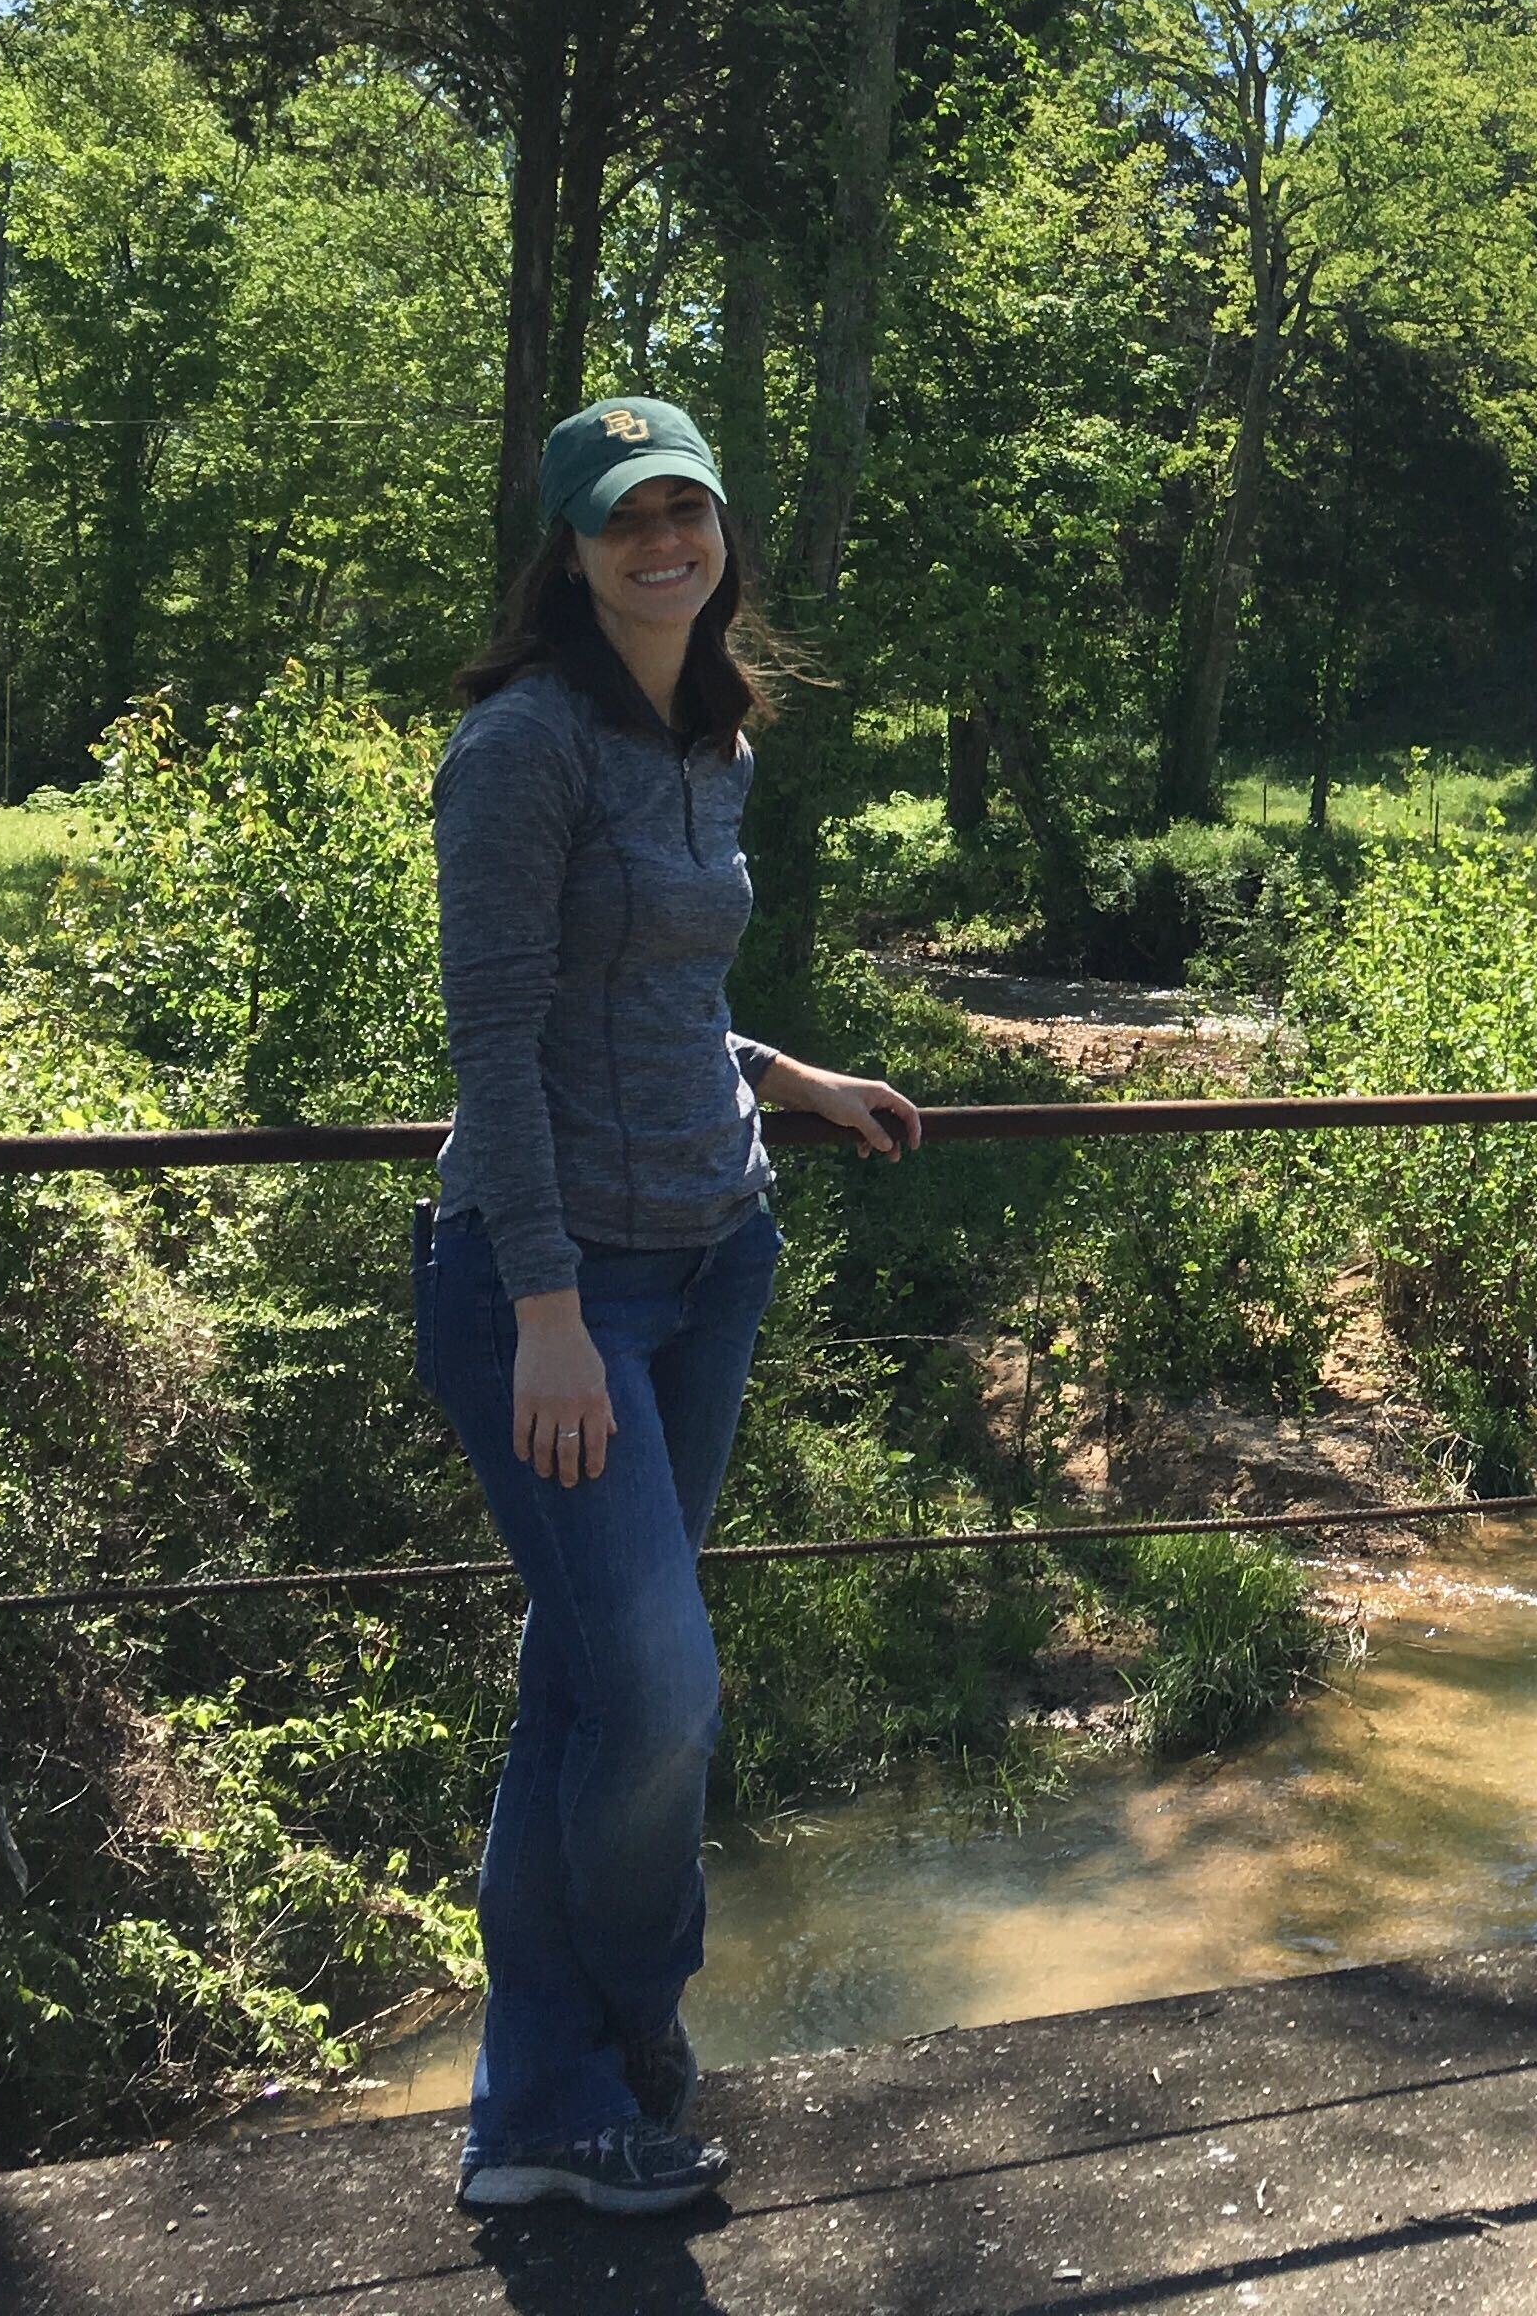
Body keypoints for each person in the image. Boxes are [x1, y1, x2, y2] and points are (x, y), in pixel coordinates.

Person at [418, 396, 922, 2213]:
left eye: (690, 509)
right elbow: (499, 1035)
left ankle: (534, 2121)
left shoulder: (714, 739)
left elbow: (649, 997)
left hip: (718, 1255)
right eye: (628, 517)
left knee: (588, 1695)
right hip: (560, 1293)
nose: (666, 542)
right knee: (655, 1695)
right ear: (570, 550)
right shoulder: (524, 745)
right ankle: (632, 2038)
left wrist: (794, 1083)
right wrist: (548, 1308)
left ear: (722, 541)